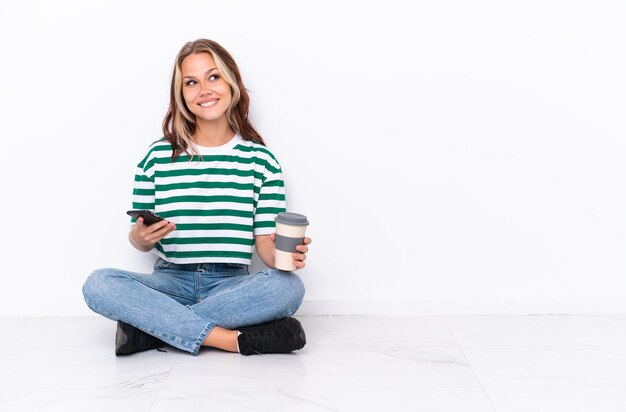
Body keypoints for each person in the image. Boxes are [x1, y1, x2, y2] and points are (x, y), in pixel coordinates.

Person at [82, 39, 312, 357]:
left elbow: (265, 247)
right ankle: (229, 339)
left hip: (229, 283)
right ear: (182, 95)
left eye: (213, 77)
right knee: (99, 283)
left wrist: (285, 257)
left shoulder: (261, 161)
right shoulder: (157, 156)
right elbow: (140, 242)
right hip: (169, 282)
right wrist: (141, 237)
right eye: (191, 82)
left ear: (232, 83)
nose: (204, 89)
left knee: (288, 287)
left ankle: (150, 331)